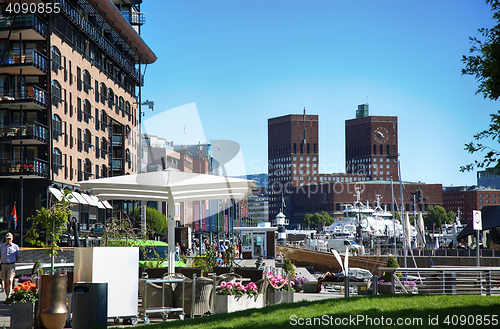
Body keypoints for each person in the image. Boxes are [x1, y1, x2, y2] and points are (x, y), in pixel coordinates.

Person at [0, 233, 20, 299]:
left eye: (9, 239)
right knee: (5, 281)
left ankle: (9, 296)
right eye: (7, 239)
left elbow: (17, 257)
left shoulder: (15, 247)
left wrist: (12, 261)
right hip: (4, 265)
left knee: (10, 280)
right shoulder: (1, 246)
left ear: (12, 239)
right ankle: (7, 296)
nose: (8, 240)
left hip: (11, 265)